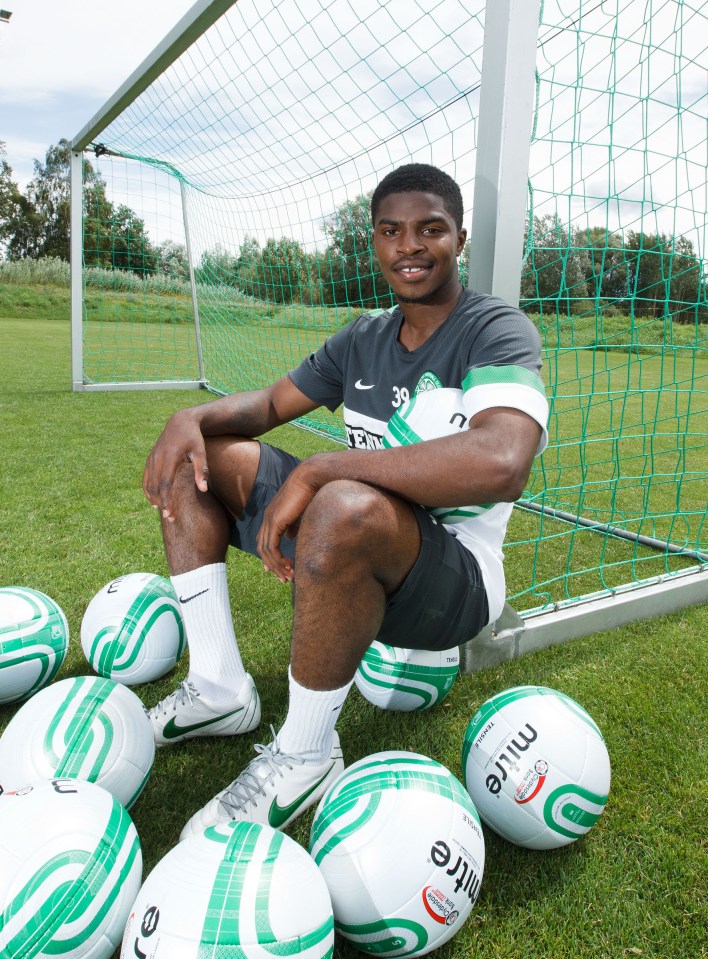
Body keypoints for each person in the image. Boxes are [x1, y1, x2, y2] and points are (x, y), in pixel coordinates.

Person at [142, 163, 549, 839]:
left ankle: (305, 753)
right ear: (375, 242)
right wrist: (192, 417)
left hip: (455, 583)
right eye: (391, 231)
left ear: (460, 238)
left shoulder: (495, 329)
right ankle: (218, 688)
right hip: (355, 537)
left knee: (342, 501)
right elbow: (270, 404)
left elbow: (503, 461)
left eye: (430, 229)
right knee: (202, 462)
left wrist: (326, 467)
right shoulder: (363, 336)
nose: (409, 246)